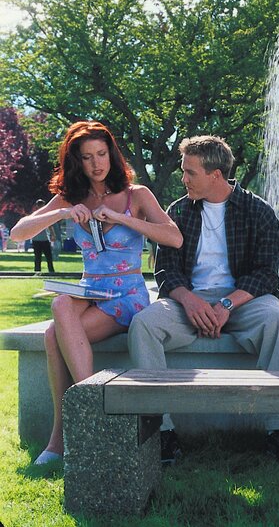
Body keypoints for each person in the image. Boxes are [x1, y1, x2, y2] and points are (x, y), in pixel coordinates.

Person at [9, 121, 183, 465]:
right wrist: (61, 212)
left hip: (127, 294)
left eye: (101, 154)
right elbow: (18, 233)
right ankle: (90, 415)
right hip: (89, 290)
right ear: (76, 161)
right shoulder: (70, 198)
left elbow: (174, 237)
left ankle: (62, 438)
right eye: (87, 157)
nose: (96, 163)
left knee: (53, 336)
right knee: (61, 303)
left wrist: (124, 219)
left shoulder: (136, 195)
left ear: (111, 154)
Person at [128, 135, 279, 465]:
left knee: (278, 320)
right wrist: (189, 300)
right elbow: (166, 270)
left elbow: (266, 274)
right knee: (143, 325)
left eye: (190, 172)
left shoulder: (258, 210)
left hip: (243, 300)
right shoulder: (178, 211)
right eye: (183, 171)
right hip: (189, 300)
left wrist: (226, 305)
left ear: (216, 175)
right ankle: (161, 432)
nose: (184, 179)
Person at [30, 199, 57, 273]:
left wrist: (53, 234)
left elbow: (50, 225)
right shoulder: (35, 215)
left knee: (47, 256)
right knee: (39, 257)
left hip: (43, 239)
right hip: (37, 239)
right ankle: (38, 271)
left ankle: (50, 271)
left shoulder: (44, 214)